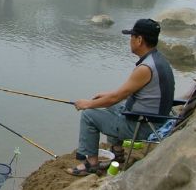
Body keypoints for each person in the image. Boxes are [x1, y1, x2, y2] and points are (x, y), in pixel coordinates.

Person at [67, 18, 175, 176]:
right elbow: (122, 94)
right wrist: (107, 96)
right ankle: (117, 153)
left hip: (145, 124)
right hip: (156, 117)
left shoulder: (145, 68)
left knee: (89, 115)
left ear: (139, 40)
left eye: (132, 36)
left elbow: (117, 97)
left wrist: (87, 104)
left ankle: (91, 164)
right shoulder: (158, 60)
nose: (130, 40)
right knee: (106, 104)